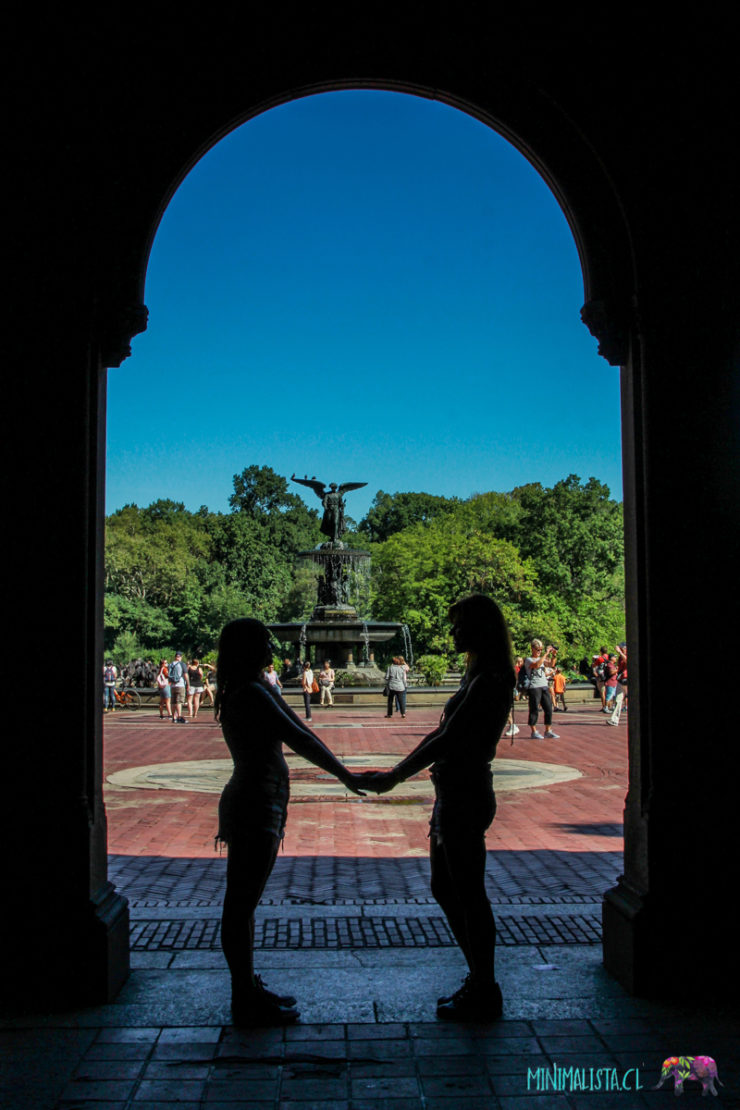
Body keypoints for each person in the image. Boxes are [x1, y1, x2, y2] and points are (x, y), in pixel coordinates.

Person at [356, 593, 514, 1021]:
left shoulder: (490, 679)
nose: (453, 631)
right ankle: (479, 979)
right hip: (454, 792)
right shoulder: (478, 675)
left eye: (459, 624)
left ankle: (485, 986)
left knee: (468, 893)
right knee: (447, 888)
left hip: (465, 793)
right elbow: (441, 732)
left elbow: (449, 738)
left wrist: (395, 776)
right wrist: (398, 769)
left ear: (479, 628)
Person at [214, 618, 363, 1026]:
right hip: (254, 802)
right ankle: (243, 995)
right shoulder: (252, 693)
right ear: (247, 648)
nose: (271, 647)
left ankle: (247, 987)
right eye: (264, 642)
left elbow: (300, 729)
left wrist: (343, 772)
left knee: (243, 903)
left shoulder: (257, 687)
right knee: (241, 904)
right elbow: (300, 739)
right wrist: (346, 775)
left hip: (262, 800)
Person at [524, 640, 559, 739]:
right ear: (532, 649)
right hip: (534, 687)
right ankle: (534, 731)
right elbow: (537, 665)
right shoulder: (528, 660)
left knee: (548, 708)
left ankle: (548, 730)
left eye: (541, 649)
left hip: (544, 685)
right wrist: (546, 653)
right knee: (534, 709)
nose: (539, 651)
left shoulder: (542, 659)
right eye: (538, 649)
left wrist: (554, 655)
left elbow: (551, 664)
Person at [168, 651, 190, 723]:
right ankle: (179, 717)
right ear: (181, 657)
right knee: (179, 702)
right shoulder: (182, 664)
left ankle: (174, 717)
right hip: (180, 684)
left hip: (172, 685)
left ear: (175, 657)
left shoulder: (170, 664)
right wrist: (188, 684)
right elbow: (185, 674)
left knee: (173, 702)